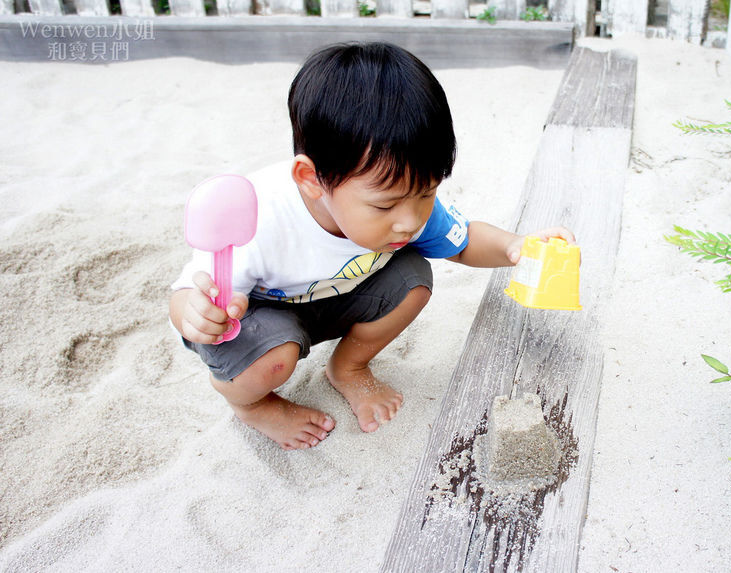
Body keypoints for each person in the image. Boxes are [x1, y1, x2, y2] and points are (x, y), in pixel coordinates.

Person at [168, 42, 573, 451]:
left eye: (427, 193)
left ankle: (349, 366)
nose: (410, 220)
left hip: (334, 297)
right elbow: (186, 295)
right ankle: (253, 408)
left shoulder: (406, 202)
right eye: (385, 204)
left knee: (413, 278)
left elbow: (464, 241)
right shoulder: (258, 219)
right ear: (311, 179)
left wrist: (514, 246)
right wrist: (196, 315)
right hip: (263, 318)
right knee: (273, 359)